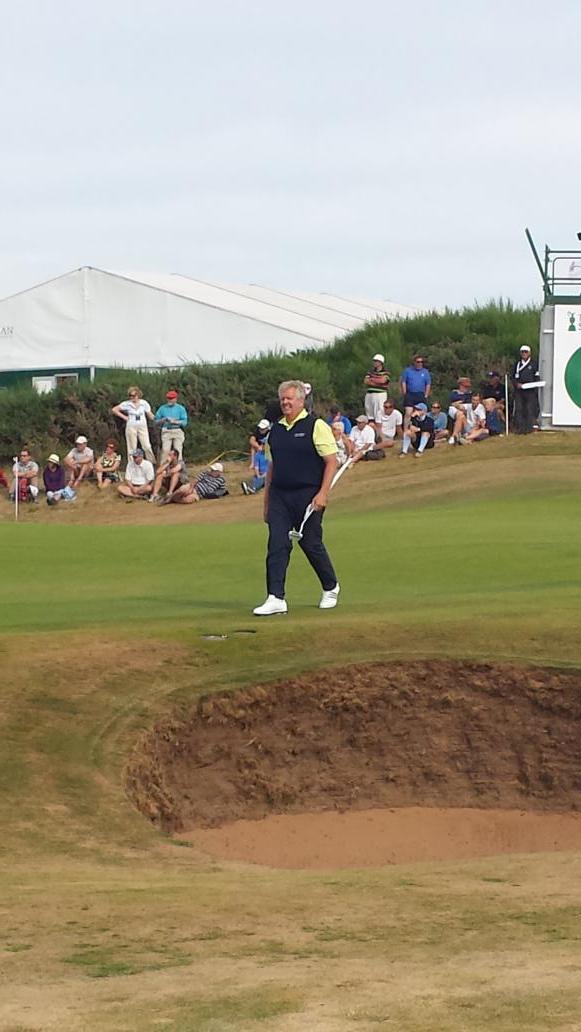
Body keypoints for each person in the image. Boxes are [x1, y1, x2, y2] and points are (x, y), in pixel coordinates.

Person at [253, 379, 340, 616]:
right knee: (277, 544)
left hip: (308, 494)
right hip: (280, 494)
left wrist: (323, 493)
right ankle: (276, 597)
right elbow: (272, 467)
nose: (285, 402)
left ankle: (330, 586)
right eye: (282, 398)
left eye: (290, 398)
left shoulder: (316, 425)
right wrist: (267, 501)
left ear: (301, 401)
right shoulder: (276, 430)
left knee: (310, 542)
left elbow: (331, 461)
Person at [112, 386, 156, 462]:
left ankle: (151, 462)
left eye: (134, 395)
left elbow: (150, 415)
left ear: (138, 395)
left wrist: (157, 419)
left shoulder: (144, 403)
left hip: (142, 426)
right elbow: (114, 409)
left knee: (146, 446)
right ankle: (131, 465)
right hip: (131, 426)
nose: (132, 397)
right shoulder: (127, 404)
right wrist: (124, 417)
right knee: (132, 447)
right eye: (130, 396)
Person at [154, 390, 188, 462]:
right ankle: (163, 469)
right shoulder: (162, 408)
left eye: (171, 398)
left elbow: (184, 422)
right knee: (165, 450)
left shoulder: (180, 408)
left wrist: (175, 422)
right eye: (168, 398)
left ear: (176, 399)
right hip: (166, 430)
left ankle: (179, 468)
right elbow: (156, 421)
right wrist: (163, 420)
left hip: (177, 430)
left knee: (178, 450)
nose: (170, 400)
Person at [512, 345, 540, 433]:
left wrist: (534, 387)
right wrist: (516, 384)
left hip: (530, 391)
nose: (524, 353)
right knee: (519, 408)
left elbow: (537, 377)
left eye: (526, 352)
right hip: (519, 391)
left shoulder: (534, 364)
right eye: (522, 352)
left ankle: (529, 428)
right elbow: (513, 376)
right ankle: (520, 428)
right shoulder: (517, 364)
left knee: (529, 408)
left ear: (529, 353)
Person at [399, 355, 431, 427]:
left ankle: (422, 430)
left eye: (421, 362)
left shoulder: (425, 372)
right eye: (418, 362)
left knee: (421, 413)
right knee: (408, 412)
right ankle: (406, 430)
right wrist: (405, 393)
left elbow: (428, 384)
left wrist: (426, 395)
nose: (420, 364)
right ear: (414, 362)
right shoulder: (408, 370)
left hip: (420, 394)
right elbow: (403, 381)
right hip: (410, 394)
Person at [363, 354, 390, 426]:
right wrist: (376, 381)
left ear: (381, 362)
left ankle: (379, 430)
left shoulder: (385, 372)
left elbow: (383, 381)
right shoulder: (370, 372)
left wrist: (371, 380)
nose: (374, 363)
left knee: (379, 412)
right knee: (369, 411)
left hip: (380, 394)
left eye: (376, 361)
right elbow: (366, 381)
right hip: (369, 394)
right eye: (374, 361)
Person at [447, 378, 473, 444]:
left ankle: (454, 436)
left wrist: (458, 403)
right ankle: (460, 435)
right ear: (460, 385)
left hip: (465, 408)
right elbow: (452, 402)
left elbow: (467, 402)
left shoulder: (470, 393)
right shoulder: (454, 392)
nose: (467, 388)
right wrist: (457, 404)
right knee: (460, 414)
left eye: (468, 386)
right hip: (454, 409)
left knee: (461, 415)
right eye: (465, 386)